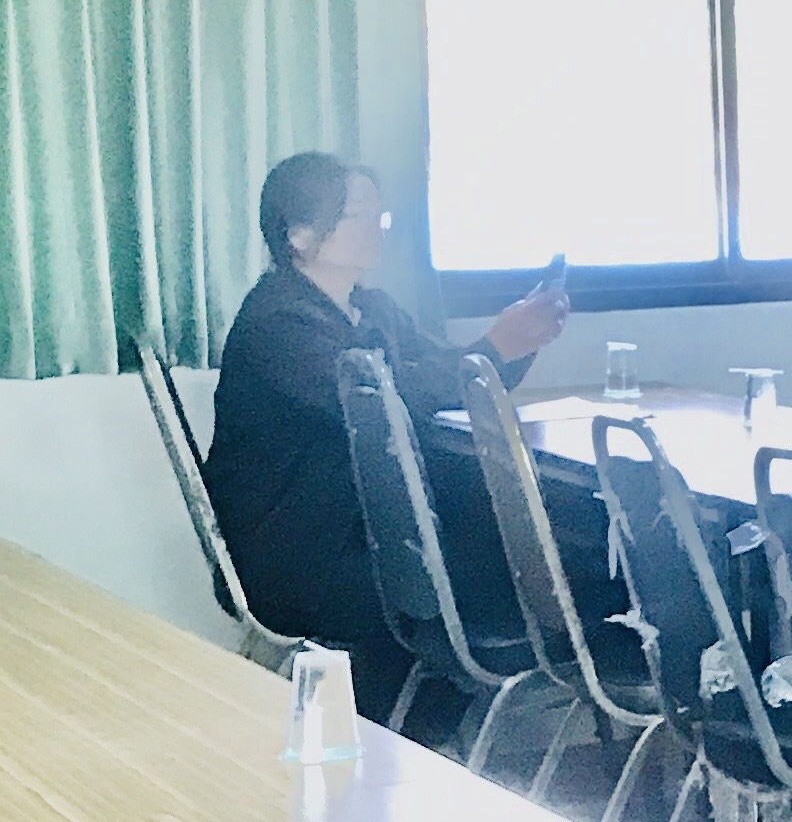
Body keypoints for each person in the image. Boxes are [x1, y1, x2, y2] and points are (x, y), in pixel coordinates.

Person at [204, 154, 567, 715]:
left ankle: (430, 721)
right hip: (297, 556)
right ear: (299, 235)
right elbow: (381, 399)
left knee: (532, 544)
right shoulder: (278, 323)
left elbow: (443, 378)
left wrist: (518, 343)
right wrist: (492, 348)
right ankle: (424, 725)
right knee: (515, 567)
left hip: (364, 531)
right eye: (358, 214)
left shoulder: (370, 308)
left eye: (381, 214)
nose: (377, 228)